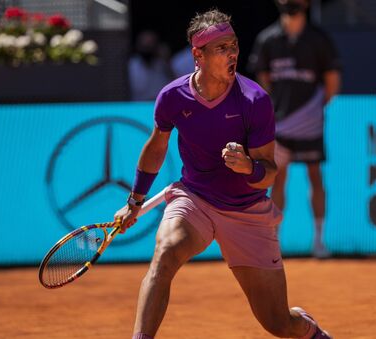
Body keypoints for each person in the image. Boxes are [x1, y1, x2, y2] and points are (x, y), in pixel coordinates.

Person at [115, 9, 331, 339]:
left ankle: (308, 328)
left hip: (247, 212)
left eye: (234, 46)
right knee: (165, 253)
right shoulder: (172, 97)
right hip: (195, 200)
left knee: (278, 323)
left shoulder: (255, 100)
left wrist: (249, 167)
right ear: (197, 55)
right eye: (221, 48)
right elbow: (156, 148)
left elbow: (268, 174)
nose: (232, 54)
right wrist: (135, 199)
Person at [248, 0, 341, 258]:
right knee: (277, 179)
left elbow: (332, 81)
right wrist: (277, 110)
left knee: (315, 176)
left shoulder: (319, 39)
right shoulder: (268, 39)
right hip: (279, 125)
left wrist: (313, 109)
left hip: (310, 123)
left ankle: (319, 241)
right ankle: (274, 241)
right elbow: (263, 80)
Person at [128, 30, 175, 101]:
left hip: (160, 105)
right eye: (145, 45)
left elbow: (177, 84)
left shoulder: (162, 64)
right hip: (137, 107)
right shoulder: (131, 65)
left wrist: (167, 61)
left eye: (150, 43)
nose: (147, 47)